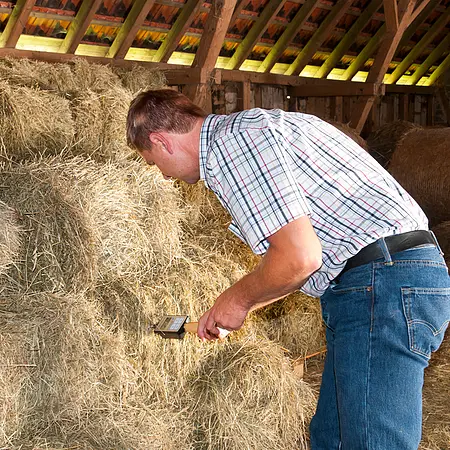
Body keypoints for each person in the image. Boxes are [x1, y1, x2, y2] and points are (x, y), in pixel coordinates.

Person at [126, 89, 450, 450]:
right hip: (379, 281)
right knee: (334, 438)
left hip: (382, 283)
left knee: (371, 443)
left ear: (161, 141)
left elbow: (299, 257)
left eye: (152, 162)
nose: (164, 175)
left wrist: (236, 299)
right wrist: (238, 307)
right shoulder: (255, 130)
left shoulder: (235, 146)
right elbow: (301, 261)